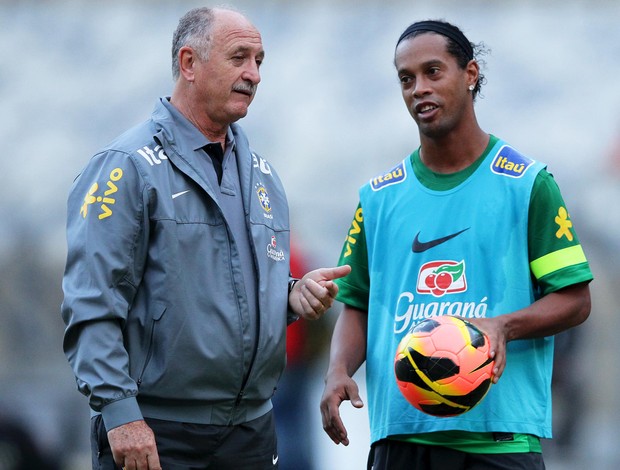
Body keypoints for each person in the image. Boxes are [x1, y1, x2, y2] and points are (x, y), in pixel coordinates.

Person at [61, 7, 350, 470]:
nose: (253, 74)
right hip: (157, 433)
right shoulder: (125, 166)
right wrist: (120, 415)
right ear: (190, 63)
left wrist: (291, 296)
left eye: (259, 60)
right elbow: (91, 304)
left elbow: (227, 295)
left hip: (251, 433)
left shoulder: (264, 176)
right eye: (239, 57)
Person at [320, 19, 593, 470]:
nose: (418, 89)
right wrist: (336, 372)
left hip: (498, 443)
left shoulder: (527, 185)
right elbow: (356, 304)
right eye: (406, 79)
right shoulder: (379, 197)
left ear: (470, 74)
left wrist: (503, 326)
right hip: (399, 440)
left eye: (433, 71)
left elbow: (576, 299)